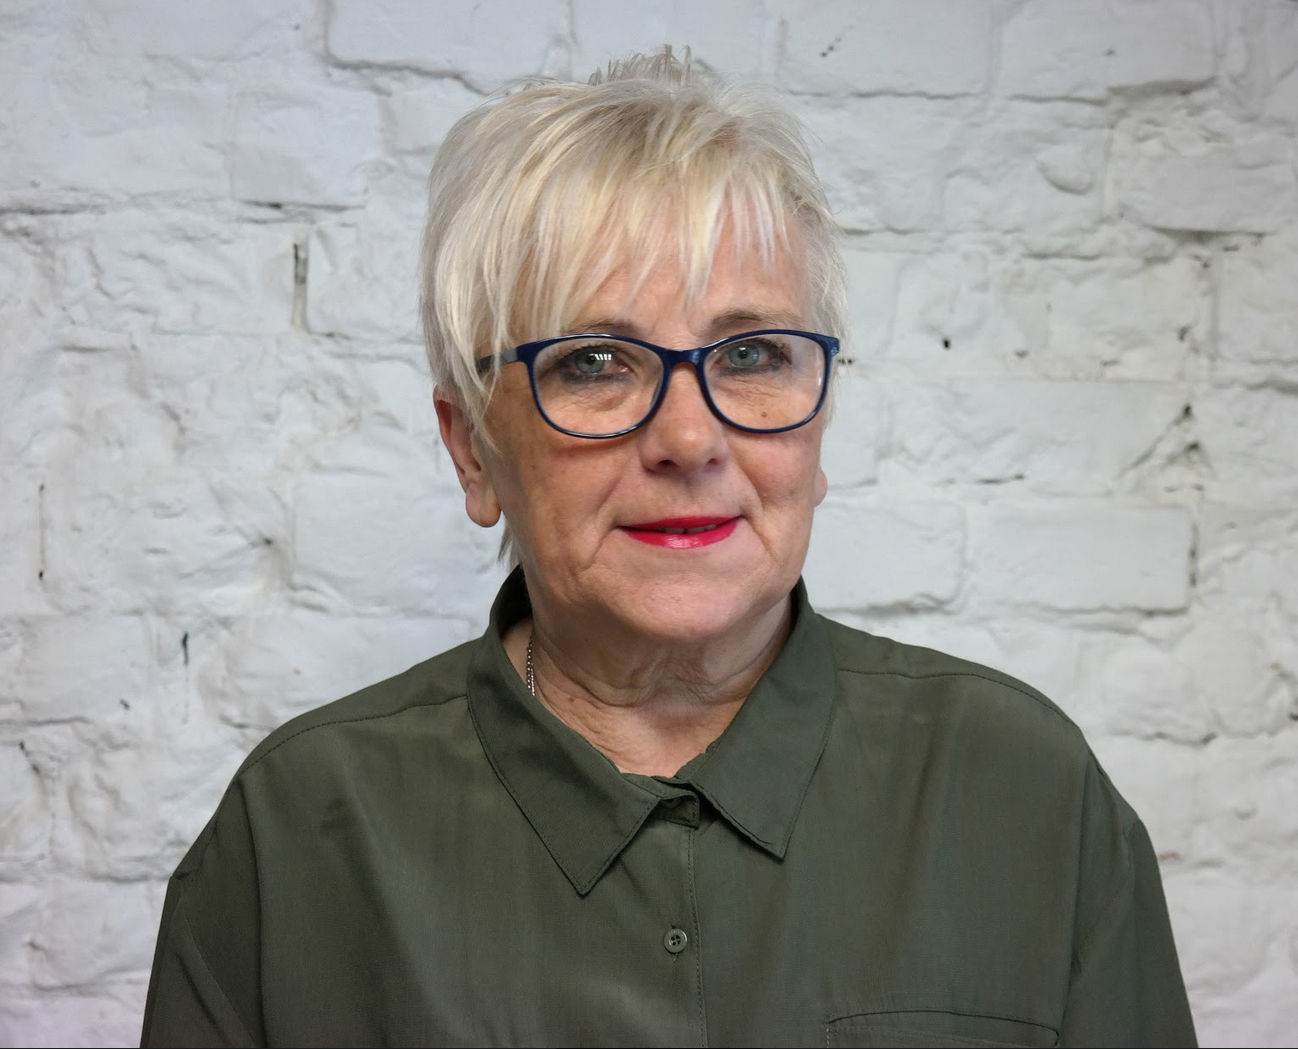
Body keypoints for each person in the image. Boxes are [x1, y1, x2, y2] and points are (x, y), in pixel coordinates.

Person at [140, 48, 1197, 1047]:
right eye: (595, 362)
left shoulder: (1025, 793)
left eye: (752, 354)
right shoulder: (293, 838)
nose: (689, 439)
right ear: (472, 450)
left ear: (819, 424)